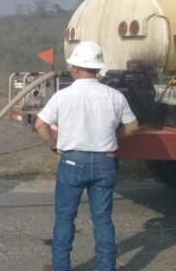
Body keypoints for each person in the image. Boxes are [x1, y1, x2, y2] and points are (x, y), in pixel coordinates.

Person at [34, 41, 139, 271]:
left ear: (75, 68)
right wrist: (115, 133)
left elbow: (41, 125)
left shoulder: (63, 96)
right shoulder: (114, 96)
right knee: (102, 220)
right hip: (105, 162)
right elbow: (133, 127)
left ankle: (61, 267)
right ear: (98, 68)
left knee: (65, 218)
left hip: (72, 161)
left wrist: (54, 147)